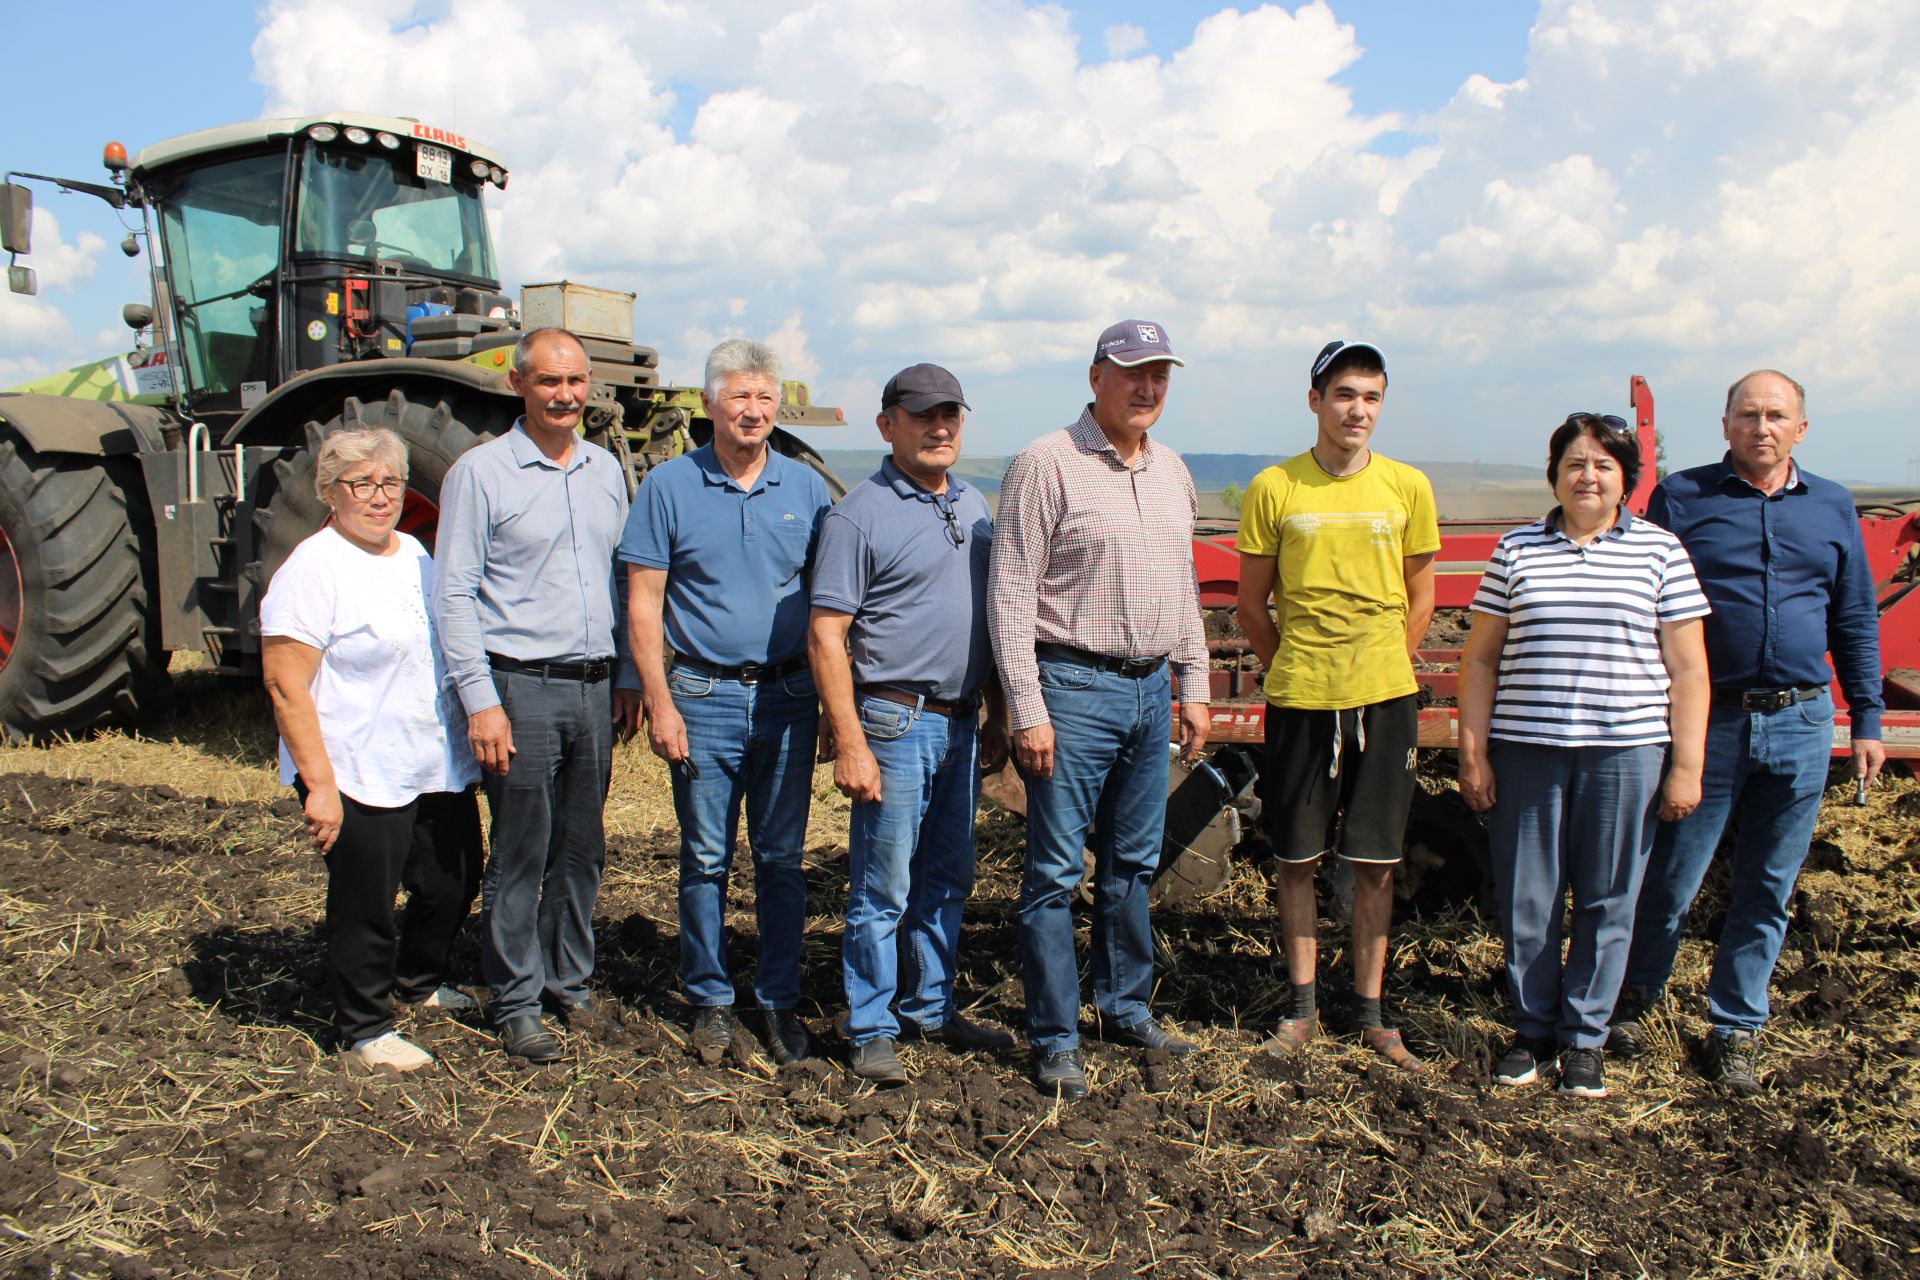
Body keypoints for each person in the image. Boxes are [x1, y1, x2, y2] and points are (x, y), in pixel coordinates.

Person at [1611, 370, 1885, 1094]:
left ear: (1801, 427)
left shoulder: (1831, 506)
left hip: (1800, 718)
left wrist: (1866, 718)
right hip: (1712, 719)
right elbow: (1646, 604)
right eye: (1748, 414)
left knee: (1768, 884)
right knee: (1673, 874)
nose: (1761, 427)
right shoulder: (1685, 498)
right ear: (1725, 424)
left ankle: (1734, 1026)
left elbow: (1854, 617)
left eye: (1776, 415)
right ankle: (1637, 1001)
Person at [988, 319, 1211, 1100]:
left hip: (1152, 690)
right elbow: (1010, 595)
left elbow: (1182, 588)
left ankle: (1122, 1008)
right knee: (1054, 871)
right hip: (1073, 689)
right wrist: (1027, 705)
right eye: (1132, 373)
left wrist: (1196, 685)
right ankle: (1054, 1038)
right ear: (1096, 378)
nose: (1146, 388)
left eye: (1159, 375)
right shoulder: (1047, 464)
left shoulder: (1172, 471)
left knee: (1133, 865)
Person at [1457, 413, 1711, 1099]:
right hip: (1528, 752)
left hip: (1625, 754)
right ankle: (1532, 1030)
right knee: (1527, 899)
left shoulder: (1661, 553)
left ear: (1625, 477)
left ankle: (1584, 1040)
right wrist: (1473, 752)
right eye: (1574, 463)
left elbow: (1688, 671)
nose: (1588, 475)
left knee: (1607, 897)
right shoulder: (1516, 552)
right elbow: (1480, 660)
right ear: (1554, 474)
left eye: (1603, 464)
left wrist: (1686, 764)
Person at [433, 327, 643, 1064]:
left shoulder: (603, 471)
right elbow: (452, 594)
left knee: (583, 849)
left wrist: (626, 677)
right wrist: (479, 699)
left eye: (576, 382)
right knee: (521, 851)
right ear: (519, 385)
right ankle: (516, 999)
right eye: (550, 382)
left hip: (592, 686)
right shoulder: (480, 473)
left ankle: (569, 983)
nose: (565, 396)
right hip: (518, 686)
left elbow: (621, 579)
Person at [623, 338, 833, 1067]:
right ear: (710, 403)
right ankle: (710, 999)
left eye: (764, 398)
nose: (752, 410)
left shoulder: (805, 491)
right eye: (738, 397)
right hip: (703, 694)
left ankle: (777, 1000)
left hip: (787, 697)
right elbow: (644, 604)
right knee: (706, 857)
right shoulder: (669, 487)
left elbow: (831, 607)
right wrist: (659, 700)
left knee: (780, 859)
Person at [1233, 340, 1438, 1071]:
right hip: (1301, 700)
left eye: (1373, 397)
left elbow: (1422, 596)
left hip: (1385, 700)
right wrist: (1291, 664)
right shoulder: (1274, 488)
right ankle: (1300, 1009)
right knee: (1296, 858)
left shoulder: (1407, 487)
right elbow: (1252, 605)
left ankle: (1374, 1015)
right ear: (1315, 399)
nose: (1359, 410)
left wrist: (1387, 664)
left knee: (1377, 860)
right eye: (1346, 394)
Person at [808, 364, 1014, 1086]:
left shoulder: (974, 505)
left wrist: (993, 711)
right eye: (923, 415)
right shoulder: (859, 514)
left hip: (960, 722)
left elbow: (984, 620)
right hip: (894, 721)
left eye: (951, 415)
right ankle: (869, 1025)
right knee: (882, 886)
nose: (939, 428)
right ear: (886, 424)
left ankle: (930, 1008)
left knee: (949, 877)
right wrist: (851, 741)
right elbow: (826, 633)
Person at [261, 427, 483, 1073]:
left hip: (426, 757)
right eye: (362, 484)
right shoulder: (313, 569)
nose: (380, 496)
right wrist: (319, 783)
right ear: (331, 493)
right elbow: (284, 683)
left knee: (454, 877)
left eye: (390, 482)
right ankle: (365, 1027)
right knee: (366, 900)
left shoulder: (415, 552)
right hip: (355, 764)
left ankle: (416, 980)